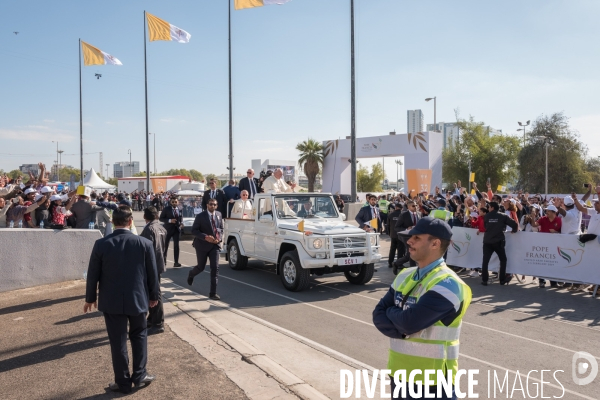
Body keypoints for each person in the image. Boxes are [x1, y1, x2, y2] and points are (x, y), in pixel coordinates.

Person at [372, 217, 472, 400]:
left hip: (433, 383)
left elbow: (409, 322)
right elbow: (377, 315)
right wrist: (401, 322)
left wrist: (394, 316)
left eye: (416, 238)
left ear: (435, 244)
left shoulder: (449, 284)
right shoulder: (405, 274)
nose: (409, 241)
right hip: (400, 376)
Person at [83, 206, 159, 394]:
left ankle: (122, 382)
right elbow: (153, 274)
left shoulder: (101, 244)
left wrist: (90, 298)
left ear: (112, 222)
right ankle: (140, 375)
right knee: (139, 336)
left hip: (111, 301)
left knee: (117, 342)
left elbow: (93, 274)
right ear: (131, 221)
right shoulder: (144, 244)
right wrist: (154, 296)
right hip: (138, 299)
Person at [187, 198, 223, 300]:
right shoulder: (200, 216)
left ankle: (212, 293)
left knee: (215, 268)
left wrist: (219, 238)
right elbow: (194, 230)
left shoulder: (219, 215)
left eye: (215, 205)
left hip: (214, 246)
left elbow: (221, 229)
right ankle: (191, 274)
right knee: (201, 267)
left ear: (217, 206)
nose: (213, 206)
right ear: (207, 205)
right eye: (211, 204)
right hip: (202, 245)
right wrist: (205, 237)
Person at [140, 207, 167, 335]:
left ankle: (158, 323)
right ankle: (152, 319)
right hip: (159, 263)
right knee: (154, 292)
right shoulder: (162, 228)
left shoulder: (148, 229)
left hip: (151, 265)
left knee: (155, 294)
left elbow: (145, 249)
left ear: (145, 217)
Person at [481, 201, 518, 286]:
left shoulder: (486, 216)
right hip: (498, 241)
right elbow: (514, 223)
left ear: (492, 207)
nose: (488, 208)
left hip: (487, 241)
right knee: (503, 260)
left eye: (489, 207)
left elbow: (485, 226)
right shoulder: (503, 216)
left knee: (485, 261)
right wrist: (514, 230)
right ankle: (502, 279)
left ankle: (484, 280)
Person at [392, 200, 420, 273]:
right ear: (408, 207)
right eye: (413, 206)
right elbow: (397, 227)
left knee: (410, 255)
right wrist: (407, 229)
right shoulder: (404, 215)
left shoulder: (419, 214)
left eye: (416, 205)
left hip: (416, 237)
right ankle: (413, 271)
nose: (415, 207)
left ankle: (396, 263)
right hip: (406, 237)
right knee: (411, 253)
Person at [159, 197, 183, 268]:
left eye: (175, 202)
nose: (174, 203)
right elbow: (161, 218)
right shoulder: (166, 209)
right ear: (170, 202)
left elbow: (181, 217)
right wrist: (169, 220)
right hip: (168, 229)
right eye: (173, 202)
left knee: (176, 246)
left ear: (178, 202)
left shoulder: (180, 209)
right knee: (165, 246)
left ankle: (176, 262)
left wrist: (181, 223)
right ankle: (164, 261)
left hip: (176, 229)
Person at [386, 204, 402, 269]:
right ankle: (399, 263)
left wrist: (390, 233)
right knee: (400, 249)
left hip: (393, 234)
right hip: (400, 234)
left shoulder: (390, 215)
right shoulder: (402, 214)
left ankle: (390, 262)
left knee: (392, 249)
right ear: (401, 208)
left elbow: (388, 225)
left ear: (395, 207)